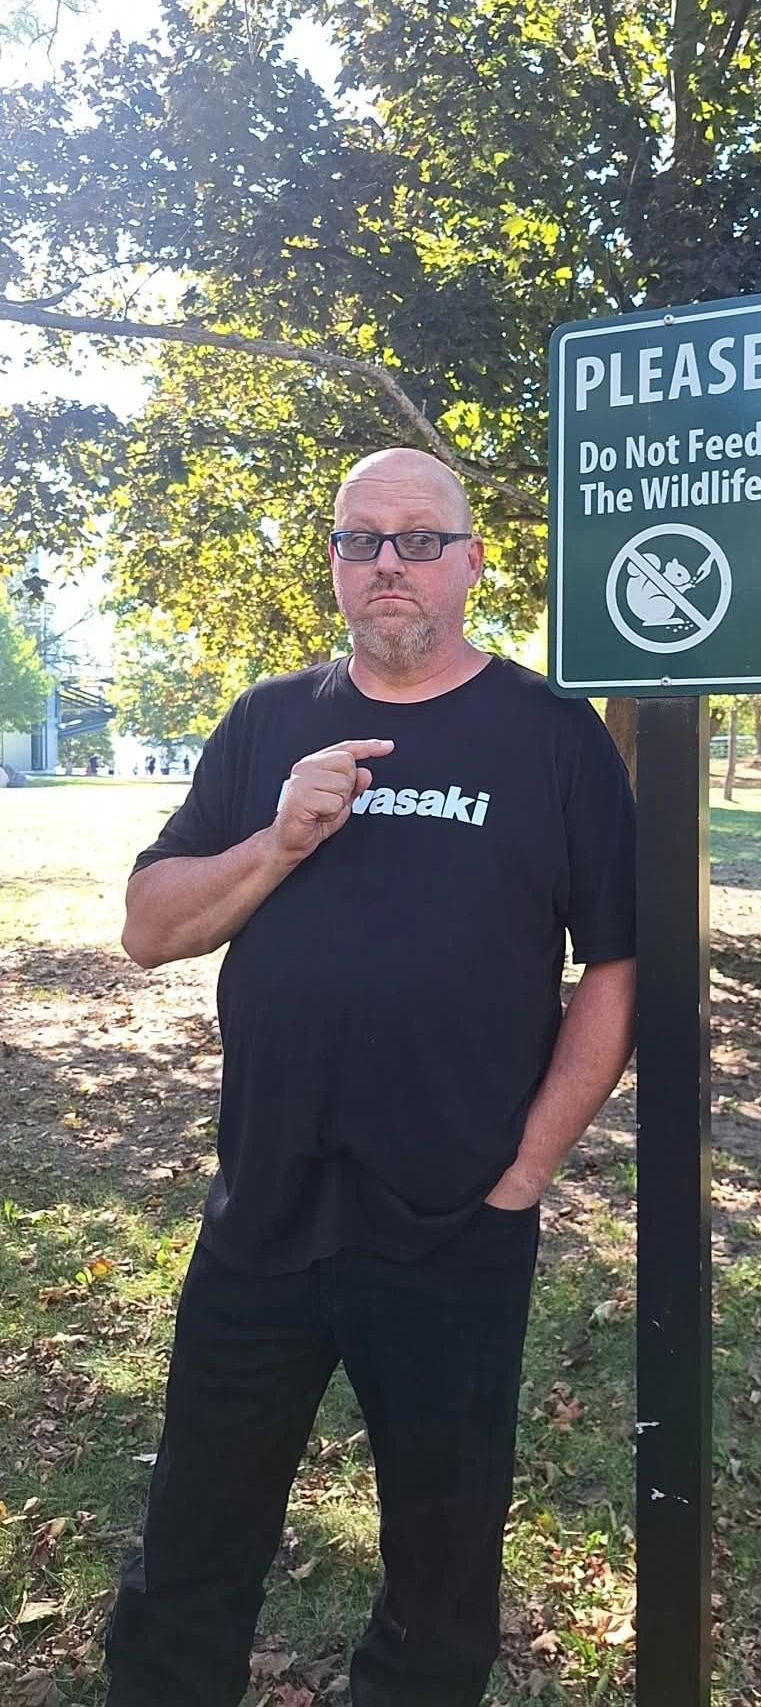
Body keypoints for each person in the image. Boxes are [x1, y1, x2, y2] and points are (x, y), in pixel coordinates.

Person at [103, 448, 637, 1707]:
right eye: (360, 541)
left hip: (455, 1223)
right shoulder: (267, 722)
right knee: (192, 1538)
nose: (386, 564)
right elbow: (149, 927)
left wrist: (525, 1172)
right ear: (336, 565)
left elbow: (614, 973)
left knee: (442, 1570)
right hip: (264, 1216)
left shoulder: (552, 735)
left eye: (415, 539)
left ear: (470, 561)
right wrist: (280, 836)